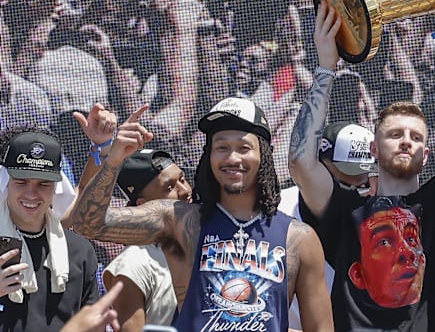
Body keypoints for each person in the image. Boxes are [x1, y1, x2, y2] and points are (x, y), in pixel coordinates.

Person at [287, 0, 435, 331]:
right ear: (373, 149)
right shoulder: (346, 211)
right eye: (396, 135)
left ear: (426, 153)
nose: (407, 140)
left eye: (417, 137)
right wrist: (326, 69)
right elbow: (299, 162)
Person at [70, 99, 333, 332]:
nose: (232, 158)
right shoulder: (179, 221)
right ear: (208, 156)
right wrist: (112, 158)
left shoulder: (298, 239)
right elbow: (87, 224)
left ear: (263, 154)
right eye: (221, 147)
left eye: (243, 147)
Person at [278, 121, 378, 331]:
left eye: (362, 185)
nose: (350, 195)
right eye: (342, 183)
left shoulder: (385, 218)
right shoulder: (279, 211)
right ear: (317, 169)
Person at [0, 127, 100, 331]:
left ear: (57, 187)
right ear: (5, 182)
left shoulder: (79, 251)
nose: (31, 194)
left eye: (43, 184)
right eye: (21, 181)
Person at [102, 149, 192, 331]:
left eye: (182, 180)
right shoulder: (133, 264)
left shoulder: (209, 243)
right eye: (169, 188)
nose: (184, 191)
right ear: (143, 205)